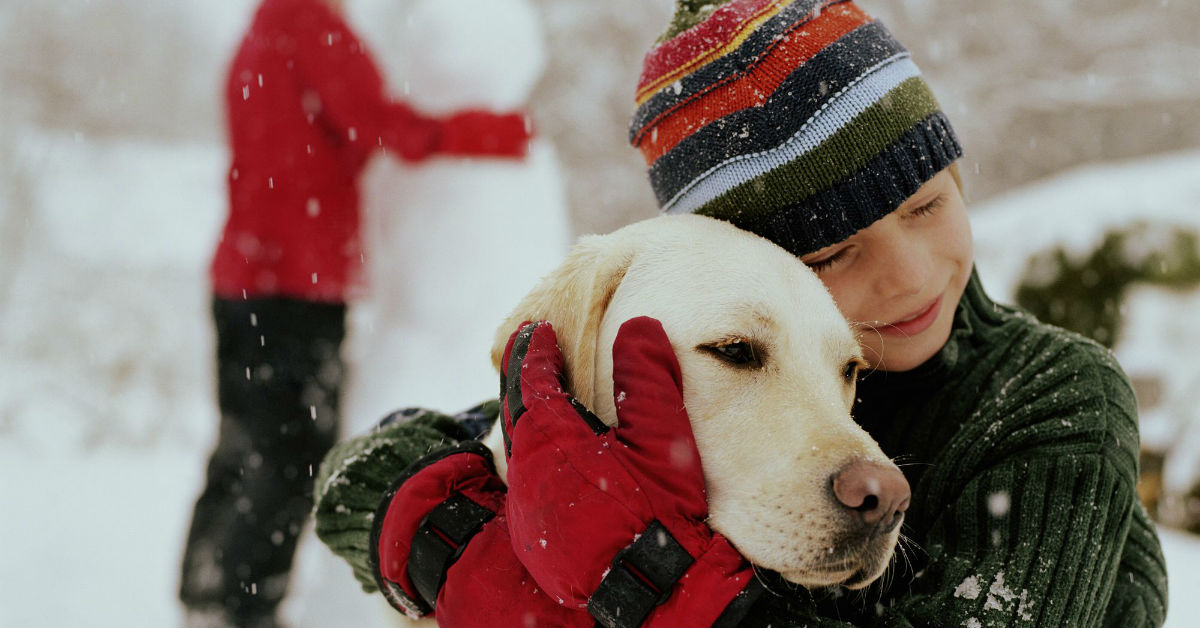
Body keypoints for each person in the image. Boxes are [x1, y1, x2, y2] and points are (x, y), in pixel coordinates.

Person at [311, 0, 1169, 626]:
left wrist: (638, 581)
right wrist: (463, 543)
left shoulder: (1055, 397)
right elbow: (360, 476)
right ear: (752, 269)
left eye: (927, 206)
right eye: (832, 253)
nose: (908, 277)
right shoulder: (674, 366)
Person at [177, 0, 532, 625]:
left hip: (244, 276)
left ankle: (209, 592)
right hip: (294, 283)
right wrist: (482, 134)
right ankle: (244, 607)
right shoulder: (313, 27)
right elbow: (380, 124)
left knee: (245, 441)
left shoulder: (266, 27)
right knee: (289, 449)